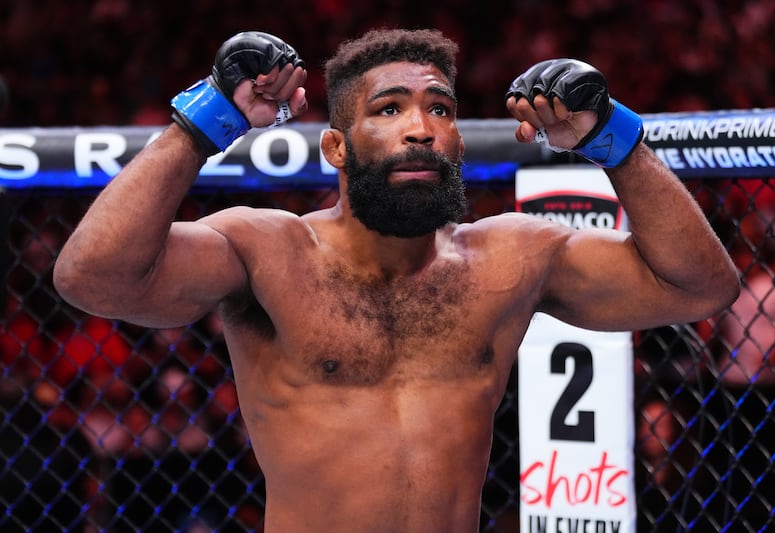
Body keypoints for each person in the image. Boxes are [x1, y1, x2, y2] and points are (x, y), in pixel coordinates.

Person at [53, 28, 739, 532]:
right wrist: (206, 119)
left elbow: (699, 287)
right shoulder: (268, 249)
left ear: (460, 141)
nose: (420, 128)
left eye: (439, 109)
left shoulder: (511, 259)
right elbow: (93, 276)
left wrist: (612, 136)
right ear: (335, 146)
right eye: (388, 109)